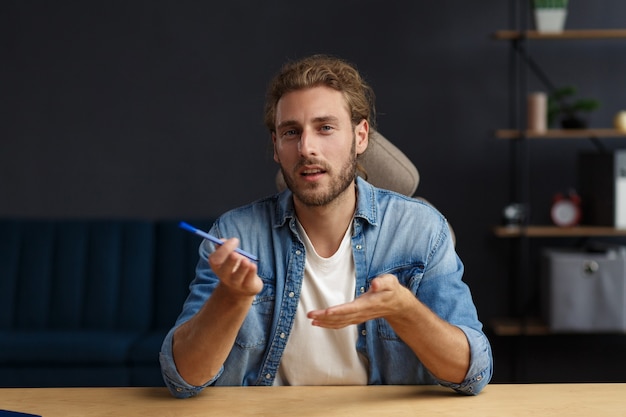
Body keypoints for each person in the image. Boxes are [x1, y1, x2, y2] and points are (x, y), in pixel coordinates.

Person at [159, 54, 492, 398]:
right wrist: (231, 298)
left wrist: (403, 310)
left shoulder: (420, 230)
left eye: (325, 128)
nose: (307, 148)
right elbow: (183, 379)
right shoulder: (237, 233)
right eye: (291, 132)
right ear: (275, 146)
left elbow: (473, 373)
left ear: (360, 136)